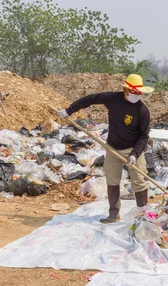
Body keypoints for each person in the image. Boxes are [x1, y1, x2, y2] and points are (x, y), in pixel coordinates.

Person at [59, 74, 154, 223]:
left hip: (133, 148)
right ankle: (113, 215)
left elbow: (144, 137)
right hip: (113, 148)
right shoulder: (112, 99)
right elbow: (90, 99)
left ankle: (143, 216)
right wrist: (69, 110)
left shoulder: (143, 110)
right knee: (112, 180)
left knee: (139, 181)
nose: (137, 95)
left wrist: (135, 155)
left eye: (139, 93)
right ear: (126, 90)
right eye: (134, 92)